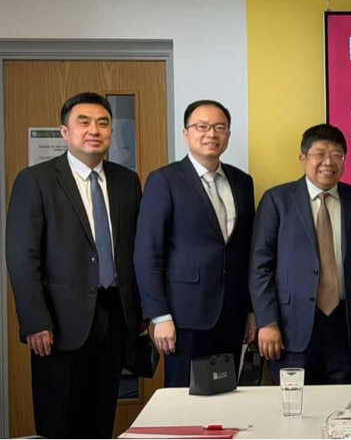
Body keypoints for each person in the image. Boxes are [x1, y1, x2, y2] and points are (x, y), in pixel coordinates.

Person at [6, 92, 144, 440]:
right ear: (65, 132)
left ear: (111, 131)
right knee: (58, 423)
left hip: (115, 318)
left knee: (101, 418)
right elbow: (22, 257)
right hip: (57, 325)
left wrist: (141, 313)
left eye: (103, 123)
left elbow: (136, 251)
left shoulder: (127, 181)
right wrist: (35, 320)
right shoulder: (36, 180)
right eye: (84, 122)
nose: (94, 130)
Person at [135, 100, 257, 388]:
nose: (211, 134)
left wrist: (252, 310)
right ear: (186, 133)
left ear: (228, 134)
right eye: (202, 126)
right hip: (184, 316)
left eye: (219, 127)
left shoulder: (242, 182)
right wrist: (159, 315)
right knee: (184, 399)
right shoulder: (164, 180)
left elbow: (248, 251)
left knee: (228, 395)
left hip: (232, 313)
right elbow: (148, 253)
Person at [250, 124, 351, 384]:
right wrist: (267, 322)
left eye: (337, 155)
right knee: (293, 406)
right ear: (303, 159)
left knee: (342, 405)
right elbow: (260, 267)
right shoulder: (277, 200)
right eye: (320, 154)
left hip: (345, 327)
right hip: (290, 330)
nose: (328, 162)